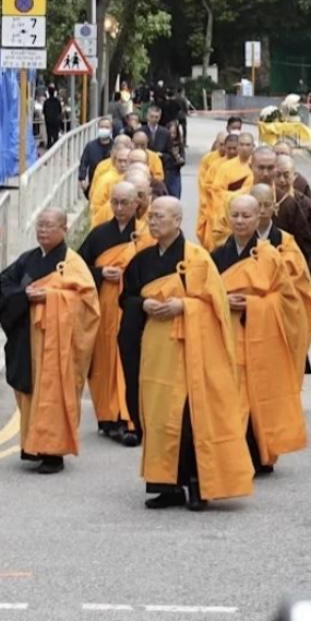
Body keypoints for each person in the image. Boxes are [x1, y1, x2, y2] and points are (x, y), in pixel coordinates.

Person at [118, 197, 253, 511]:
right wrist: (143, 305)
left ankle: (196, 484)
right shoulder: (141, 259)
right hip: (155, 350)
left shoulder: (197, 259)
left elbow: (216, 306)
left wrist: (184, 306)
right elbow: (126, 299)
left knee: (189, 419)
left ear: (178, 221)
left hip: (190, 350)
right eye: (150, 216)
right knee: (157, 416)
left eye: (160, 216)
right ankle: (166, 485)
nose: (152, 222)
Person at [0, 209, 100, 474]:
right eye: (40, 225)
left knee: (54, 393)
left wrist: (52, 298)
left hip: (58, 346)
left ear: (64, 229)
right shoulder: (27, 259)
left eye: (49, 226)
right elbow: (6, 284)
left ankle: (53, 453)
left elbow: (87, 304)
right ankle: (33, 446)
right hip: (28, 341)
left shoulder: (73, 262)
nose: (43, 230)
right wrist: (24, 295)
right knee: (31, 393)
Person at [211, 195, 307, 476]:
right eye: (236, 215)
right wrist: (222, 302)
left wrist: (253, 305)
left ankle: (260, 452)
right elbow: (202, 294)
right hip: (228, 337)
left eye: (246, 216)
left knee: (259, 398)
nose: (240, 221)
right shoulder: (216, 256)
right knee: (231, 399)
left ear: (258, 219)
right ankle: (233, 457)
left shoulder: (270, 256)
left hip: (261, 338)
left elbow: (288, 300)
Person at [77, 182, 156, 445]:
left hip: (131, 310)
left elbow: (154, 275)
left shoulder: (146, 236)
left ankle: (129, 417)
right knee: (102, 363)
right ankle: (107, 417)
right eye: (116, 202)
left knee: (128, 362)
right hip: (104, 308)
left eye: (126, 203)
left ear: (137, 204)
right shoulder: (99, 235)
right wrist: (100, 273)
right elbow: (77, 266)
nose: (120, 208)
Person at [251, 183, 311, 378]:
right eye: (257, 205)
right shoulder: (233, 243)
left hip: (278, 318)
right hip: (246, 320)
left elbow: (298, 286)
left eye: (267, 205)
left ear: (275, 207)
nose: (263, 211)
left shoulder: (286, 243)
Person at [275, 154, 311, 296]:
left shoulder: (304, 204)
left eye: (286, 175)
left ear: (294, 176)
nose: (282, 180)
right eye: (278, 175)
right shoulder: (267, 203)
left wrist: (305, 268)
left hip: (298, 269)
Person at [207, 137, 265, 249]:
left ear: (253, 147)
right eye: (242, 144)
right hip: (230, 215)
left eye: (248, 145)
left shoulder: (257, 168)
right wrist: (236, 197)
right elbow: (216, 192)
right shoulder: (225, 167)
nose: (244, 148)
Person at [89, 144, 132, 227]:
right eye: (120, 161)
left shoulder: (135, 177)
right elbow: (96, 206)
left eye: (126, 161)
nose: (123, 164)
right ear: (114, 161)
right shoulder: (106, 179)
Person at [78, 117, 115, 197]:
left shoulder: (116, 147)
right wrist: (82, 178)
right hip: (94, 182)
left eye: (107, 127)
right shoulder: (90, 146)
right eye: (101, 127)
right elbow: (84, 163)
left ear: (111, 129)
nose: (104, 129)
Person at [160, 120, 186, 198]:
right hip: (164, 172)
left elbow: (182, 161)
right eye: (170, 133)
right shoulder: (162, 144)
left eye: (174, 133)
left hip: (174, 173)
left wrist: (177, 156)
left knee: (175, 195)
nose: (172, 135)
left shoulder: (178, 145)